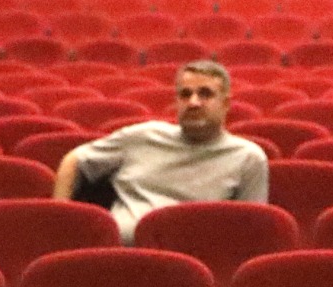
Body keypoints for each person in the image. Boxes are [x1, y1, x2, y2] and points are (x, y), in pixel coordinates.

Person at [49, 60, 269, 243]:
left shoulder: (248, 157)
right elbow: (74, 160)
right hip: (120, 255)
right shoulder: (141, 136)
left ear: (226, 103)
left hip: (189, 264)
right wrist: (60, 221)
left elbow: (249, 230)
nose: (193, 102)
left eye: (205, 94)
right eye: (185, 94)